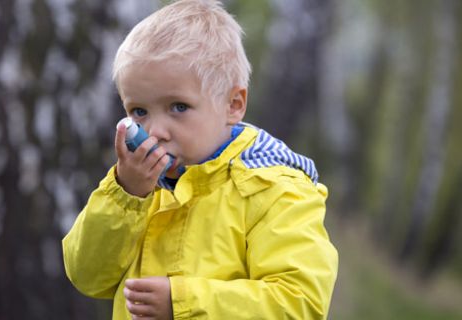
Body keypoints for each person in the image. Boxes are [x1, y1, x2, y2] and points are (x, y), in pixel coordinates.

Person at [62, 0, 338, 318]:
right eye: (139, 112)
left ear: (233, 104)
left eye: (178, 107)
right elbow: (87, 275)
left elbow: (299, 303)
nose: (155, 131)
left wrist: (183, 303)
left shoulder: (274, 189)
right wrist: (125, 196)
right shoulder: (137, 187)